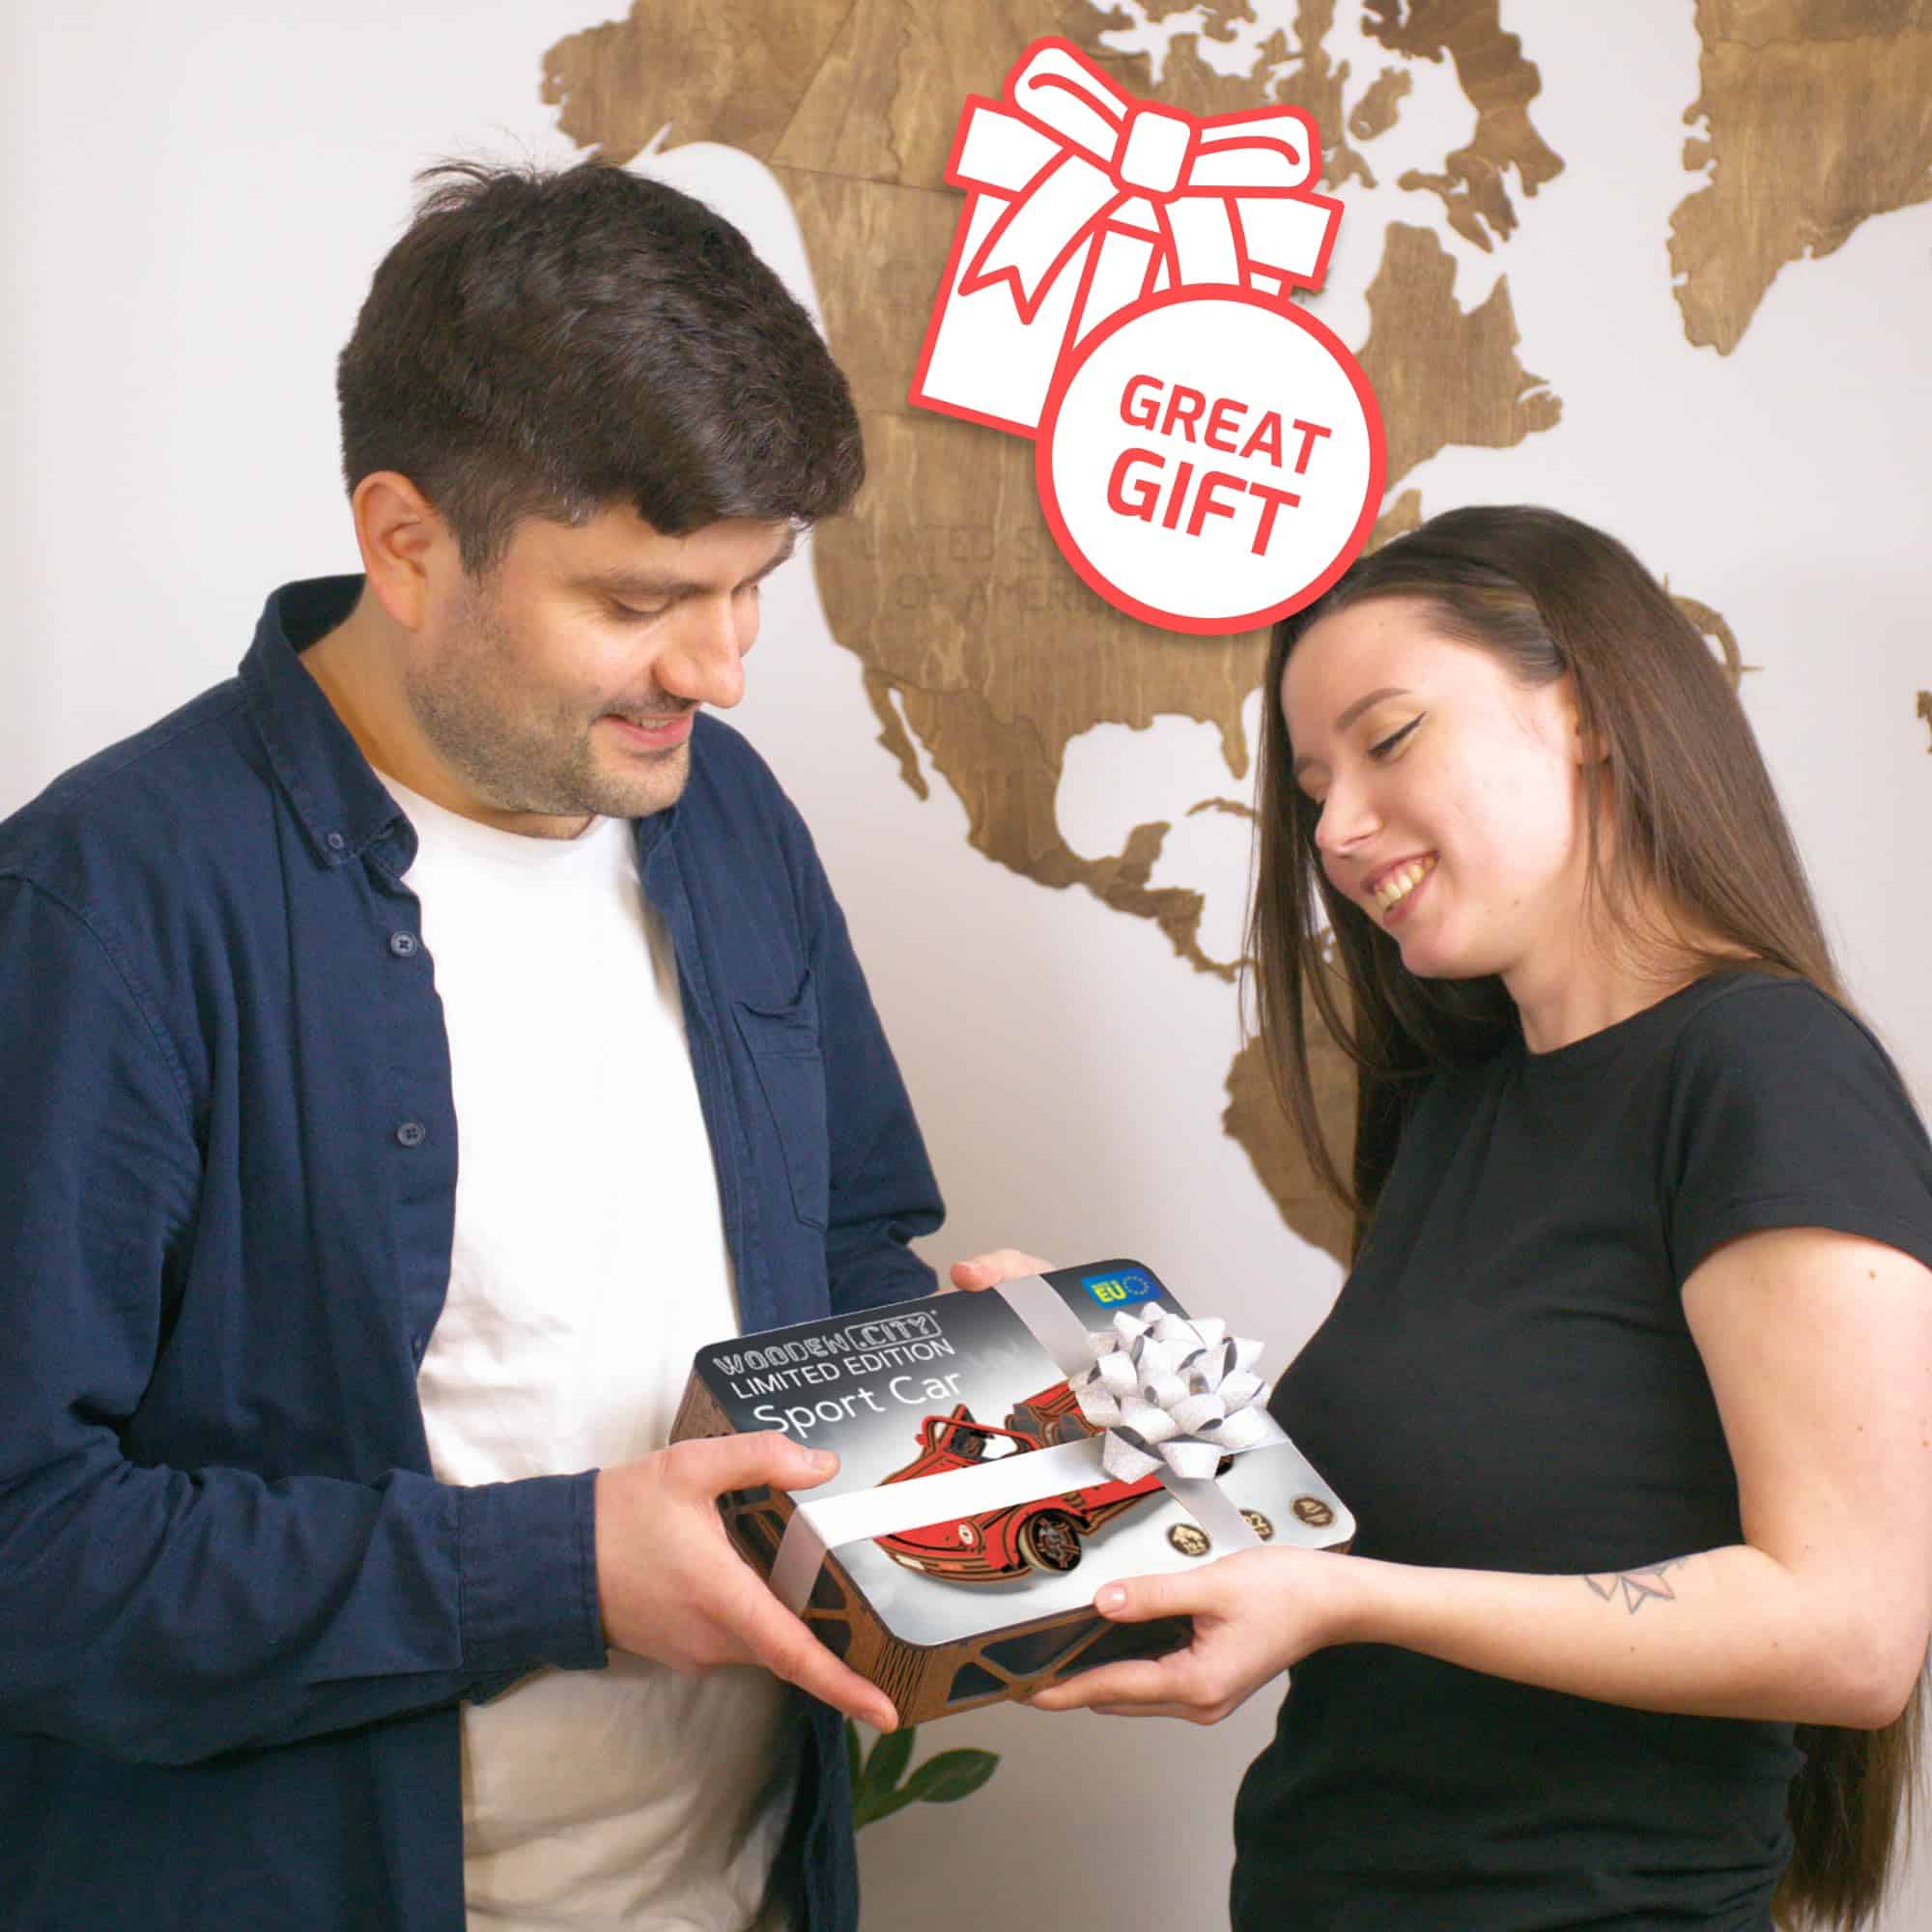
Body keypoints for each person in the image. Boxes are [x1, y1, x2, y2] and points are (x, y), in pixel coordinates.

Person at [0, 159, 942, 1932]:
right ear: (406, 541)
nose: (721, 670)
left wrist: (971, 1385)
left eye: (753, 586)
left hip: (745, 1891)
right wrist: (556, 1572)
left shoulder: (727, 814)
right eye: (639, 601)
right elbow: (27, 1549)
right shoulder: (101, 906)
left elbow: (840, 1255)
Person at [954, 505, 1932, 1929]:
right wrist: (1134, 1383)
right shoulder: (1458, 1099)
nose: (1337, 830)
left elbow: (1849, 1634)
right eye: (1312, 785)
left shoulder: (1767, 1073)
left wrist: (1355, 1602)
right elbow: (1459, 1496)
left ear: (1588, 712)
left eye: (1391, 740)